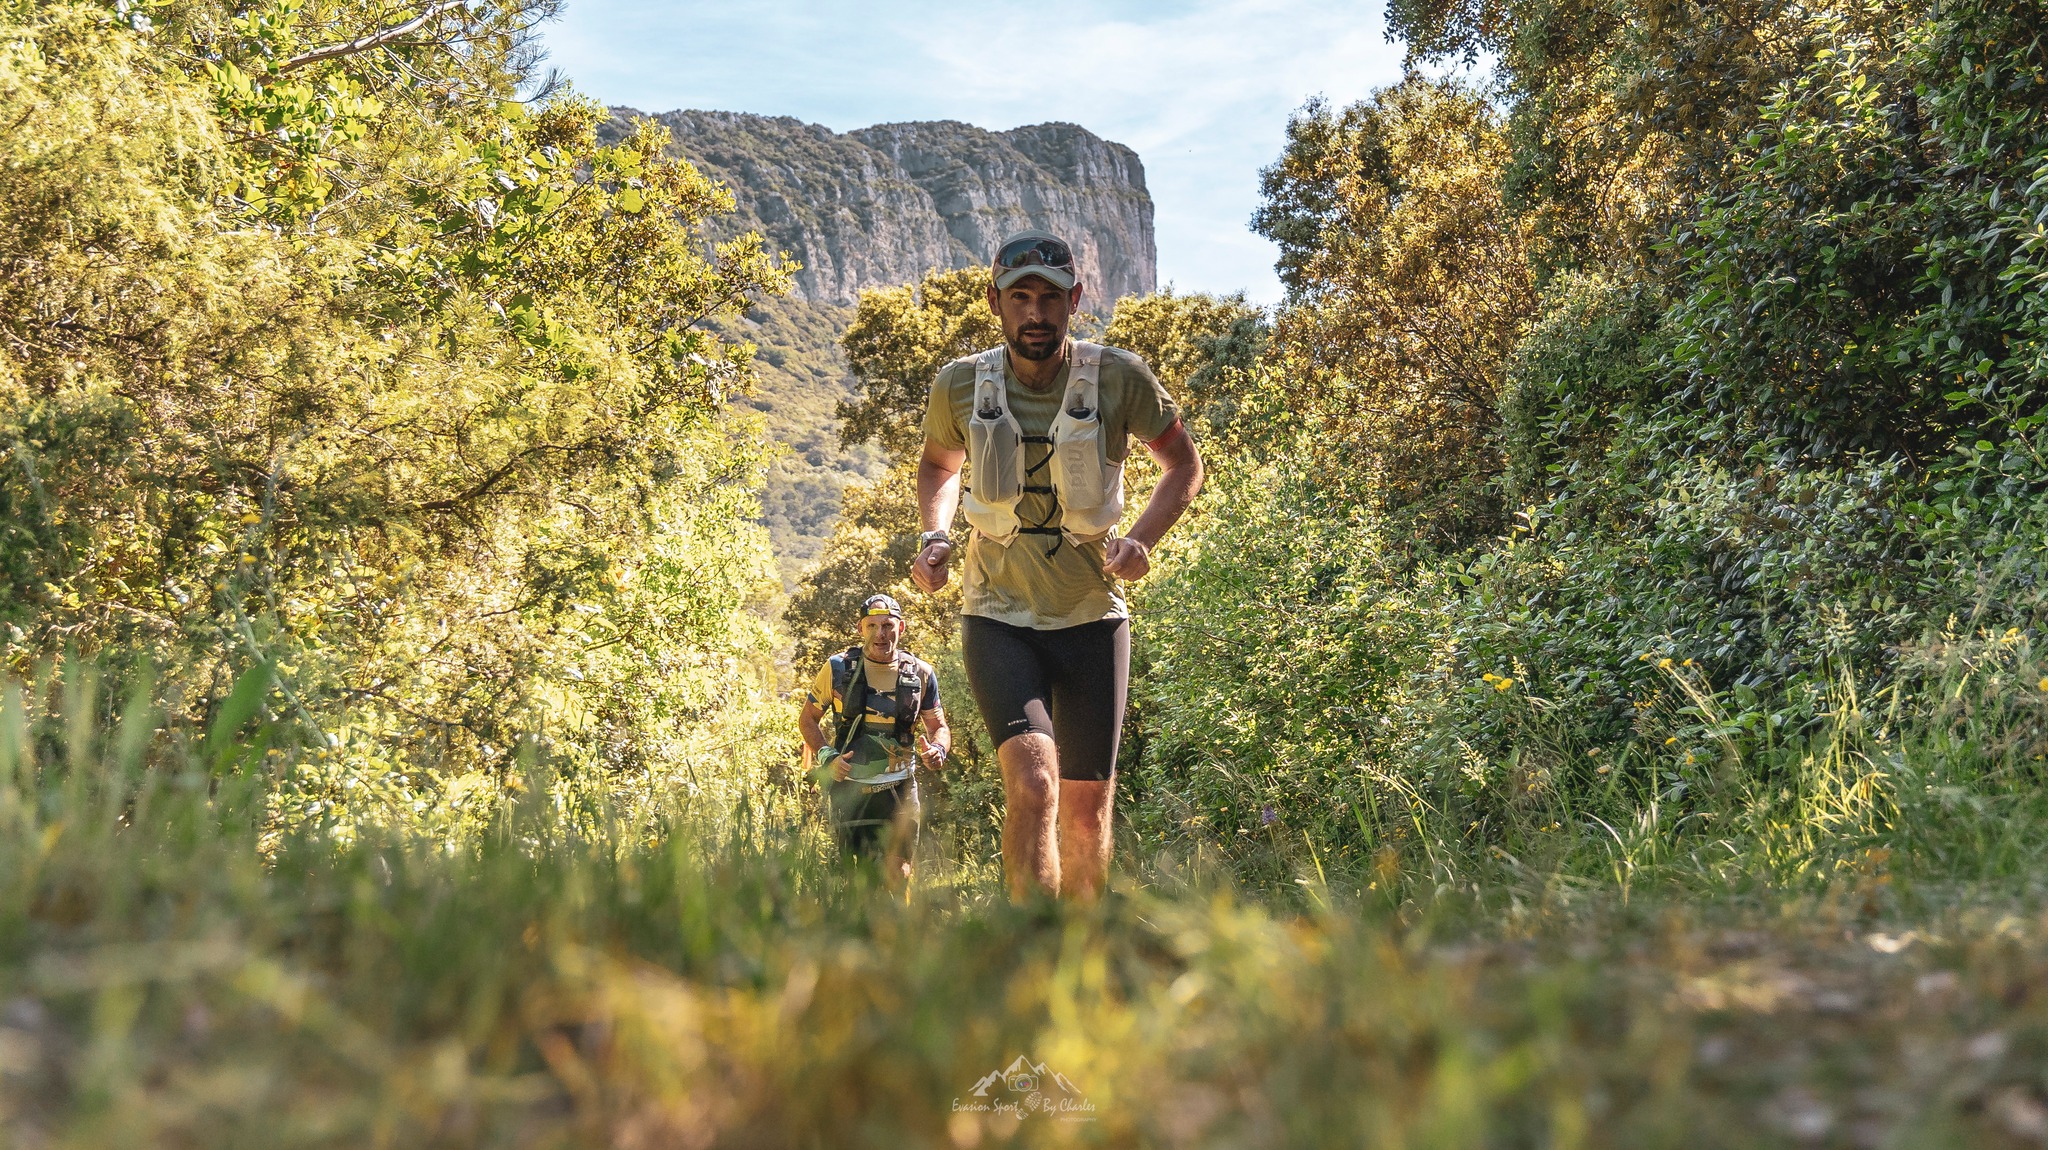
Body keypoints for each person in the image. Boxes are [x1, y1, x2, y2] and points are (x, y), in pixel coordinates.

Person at [909, 229, 1204, 902]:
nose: (1036, 314)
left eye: (1050, 298)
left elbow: (1183, 464)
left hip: (1092, 616)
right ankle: (1030, 939)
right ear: (995, 302)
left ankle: (1082, 944)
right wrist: (934, 534)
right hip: (997, 615)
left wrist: (1142, 540)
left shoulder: (1119, 377)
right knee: (1034, 782)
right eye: (1020, 298)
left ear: (1075, 299)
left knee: (1086, 808)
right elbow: (939, 466)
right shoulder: (961, 384)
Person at [798, 593, 950, 891]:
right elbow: (807, 720)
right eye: (872, 626)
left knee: (899, 874)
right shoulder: (838, 668)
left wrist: (938, 749)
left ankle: (898, 921)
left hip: (900, 788)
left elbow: (938, 726)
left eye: (888, 625)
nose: (881, 634)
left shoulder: (921, 673)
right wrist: (827, 756)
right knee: (856, 880)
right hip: (850, 789)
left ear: (900, 628)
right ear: (861, 629)